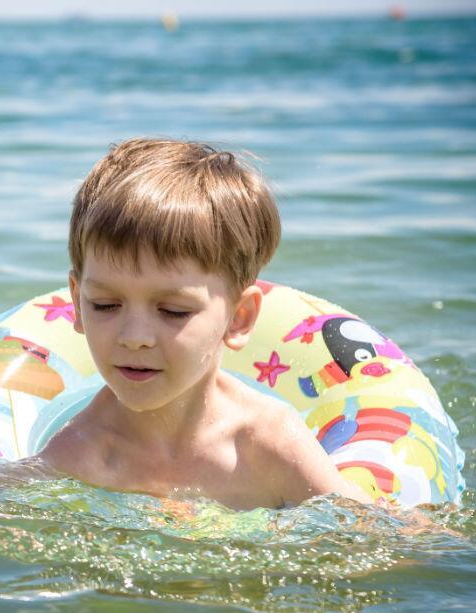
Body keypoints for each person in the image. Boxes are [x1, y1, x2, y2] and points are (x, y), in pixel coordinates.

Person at [35, 138, 371, 510]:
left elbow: (367, 529)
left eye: (173, 311)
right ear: (77, 303)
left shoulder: (268, 445)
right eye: (105, 304)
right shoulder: (79, 452)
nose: (134, 337)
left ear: (239, 318)